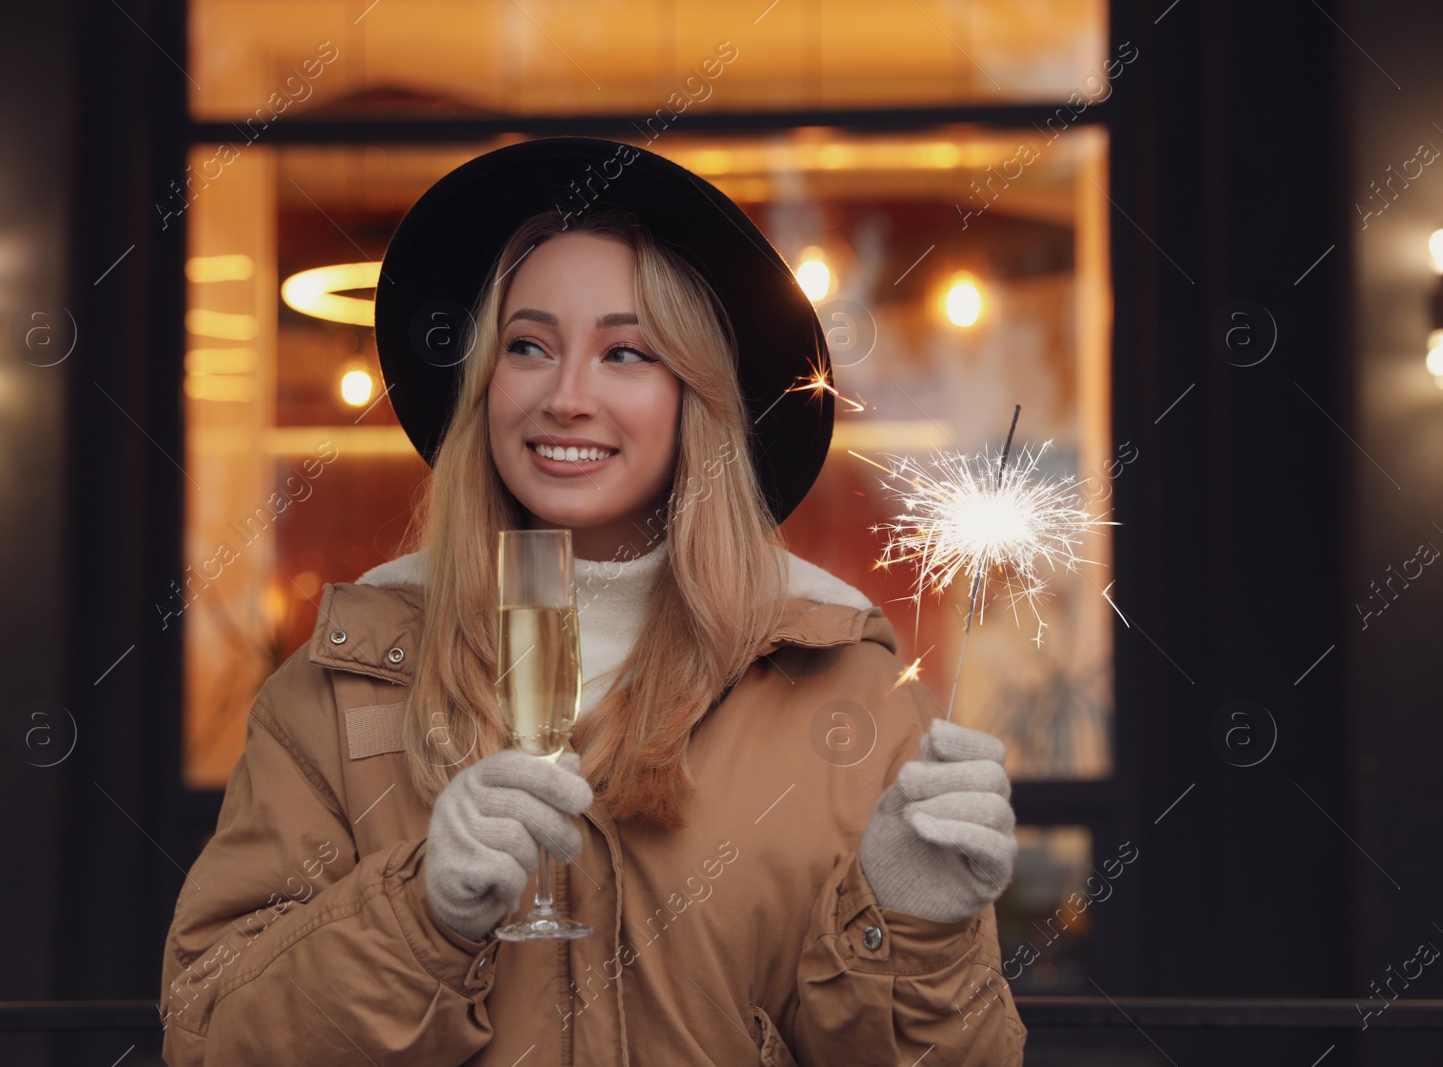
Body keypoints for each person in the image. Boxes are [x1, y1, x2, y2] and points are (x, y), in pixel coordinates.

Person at [159, 136, 1026, 1066]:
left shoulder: (851, 694)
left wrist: (911, 926)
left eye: (626, 352)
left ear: (699, 396)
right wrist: (421, 916)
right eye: (528, 346)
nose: (566, 395)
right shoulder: (336, 691)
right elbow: (210, 1037)